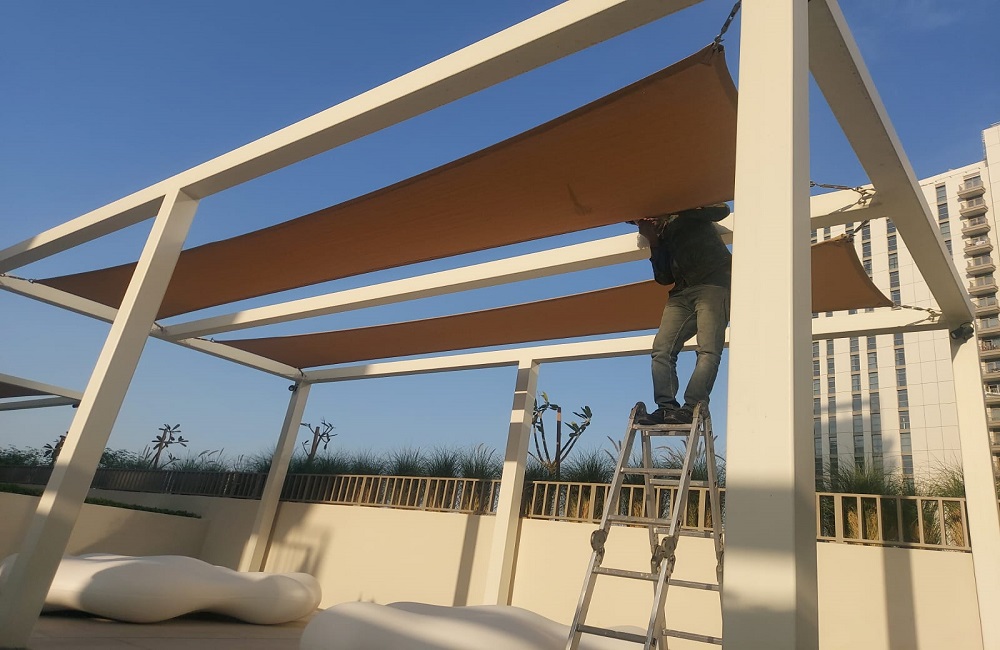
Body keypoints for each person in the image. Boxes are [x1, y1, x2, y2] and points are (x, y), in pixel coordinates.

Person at [635, 204, 732, 425]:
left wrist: (676, 212)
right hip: (680, 293)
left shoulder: (686, 213)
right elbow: (663, 278)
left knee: (708, 349)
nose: (644, 221)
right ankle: (666, 408)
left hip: (713, 285)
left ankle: (692, 407)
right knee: (661, 350)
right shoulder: (662, 235)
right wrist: (654, 241)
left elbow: (721, 209)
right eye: (638, 221)